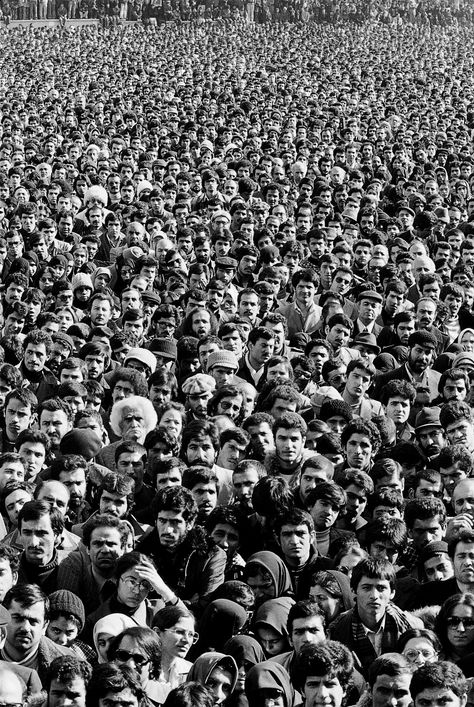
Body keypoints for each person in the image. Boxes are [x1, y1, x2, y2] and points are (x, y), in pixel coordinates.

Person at [136, 486, 226, 613]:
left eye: (175, 522)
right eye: (162, 521)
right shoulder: (143, 550)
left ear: (190, 523)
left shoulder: (211, 555)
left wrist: (163, 591)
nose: (167, 530)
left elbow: (204, 609)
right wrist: (185, 602)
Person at [329, 557, 422, 676]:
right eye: (366, 588)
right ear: (353, 590)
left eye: (381, 588)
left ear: (392, 592)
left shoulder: (411, 626)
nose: (374, 595)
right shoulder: (337, 629)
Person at [2, 583, 74, 683]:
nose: (25, 628)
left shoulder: (69, 664)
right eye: (18, 618)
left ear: (44, 626)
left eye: (33, 621)